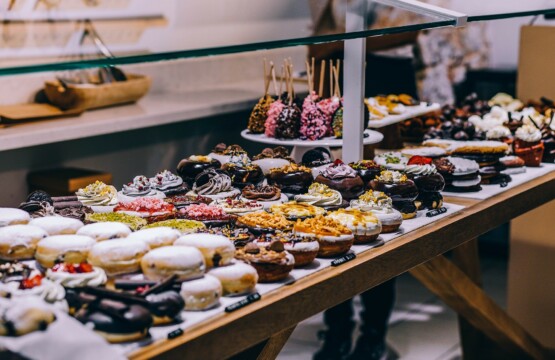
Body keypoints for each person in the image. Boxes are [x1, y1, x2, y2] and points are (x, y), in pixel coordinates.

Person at [308, 1, 418, 359]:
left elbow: (414, 26)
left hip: (388, 75)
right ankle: (337, 329)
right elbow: (318, 36)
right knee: (332, 207)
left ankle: (373, 332)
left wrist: (345, 43)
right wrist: (333, 49)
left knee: (378, 207)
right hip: (336, 75)